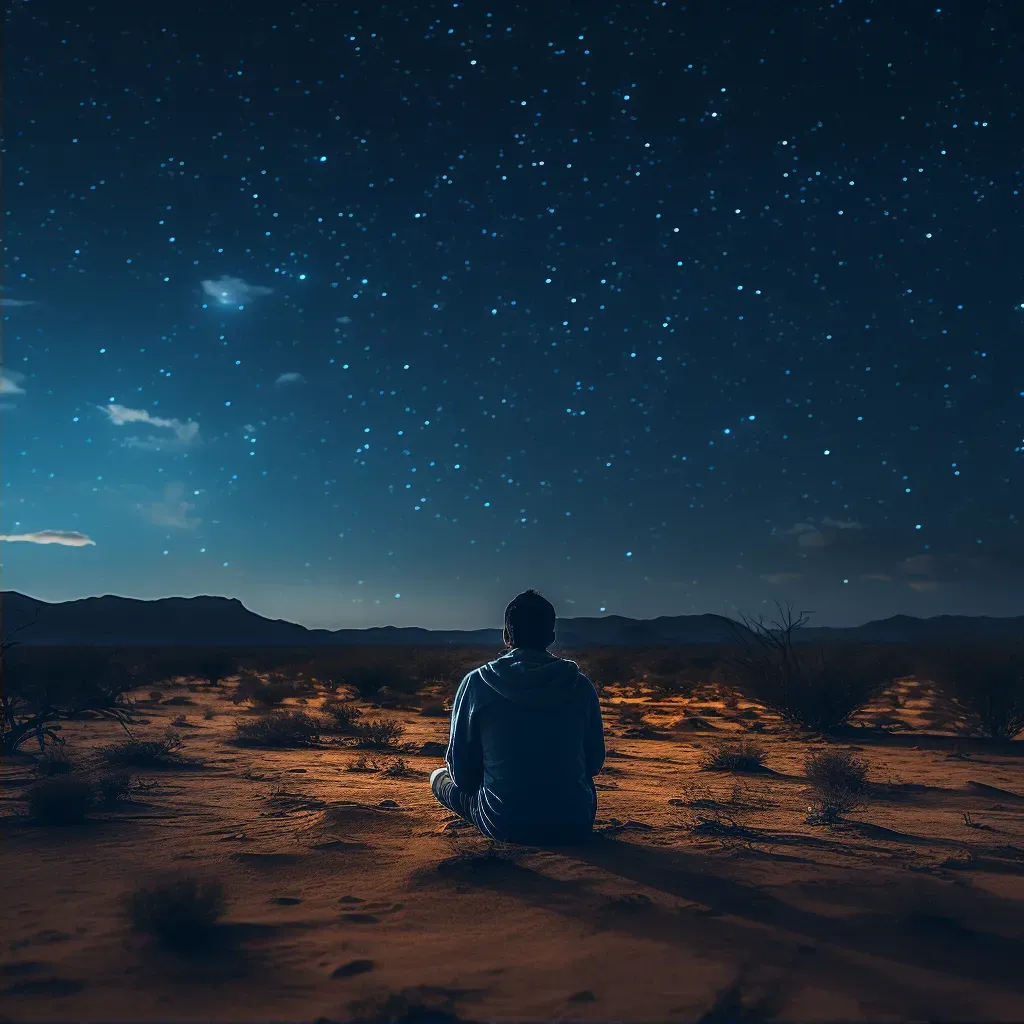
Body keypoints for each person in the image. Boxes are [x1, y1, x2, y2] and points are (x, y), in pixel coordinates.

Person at [429, 589, 605, 845]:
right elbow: (593, 764)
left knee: (438, 778)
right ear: (551, 636)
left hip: (504, 822)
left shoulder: (477, 683)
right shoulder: (580, 685)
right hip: (575, 822)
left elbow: (462, 775)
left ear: (506, 635)